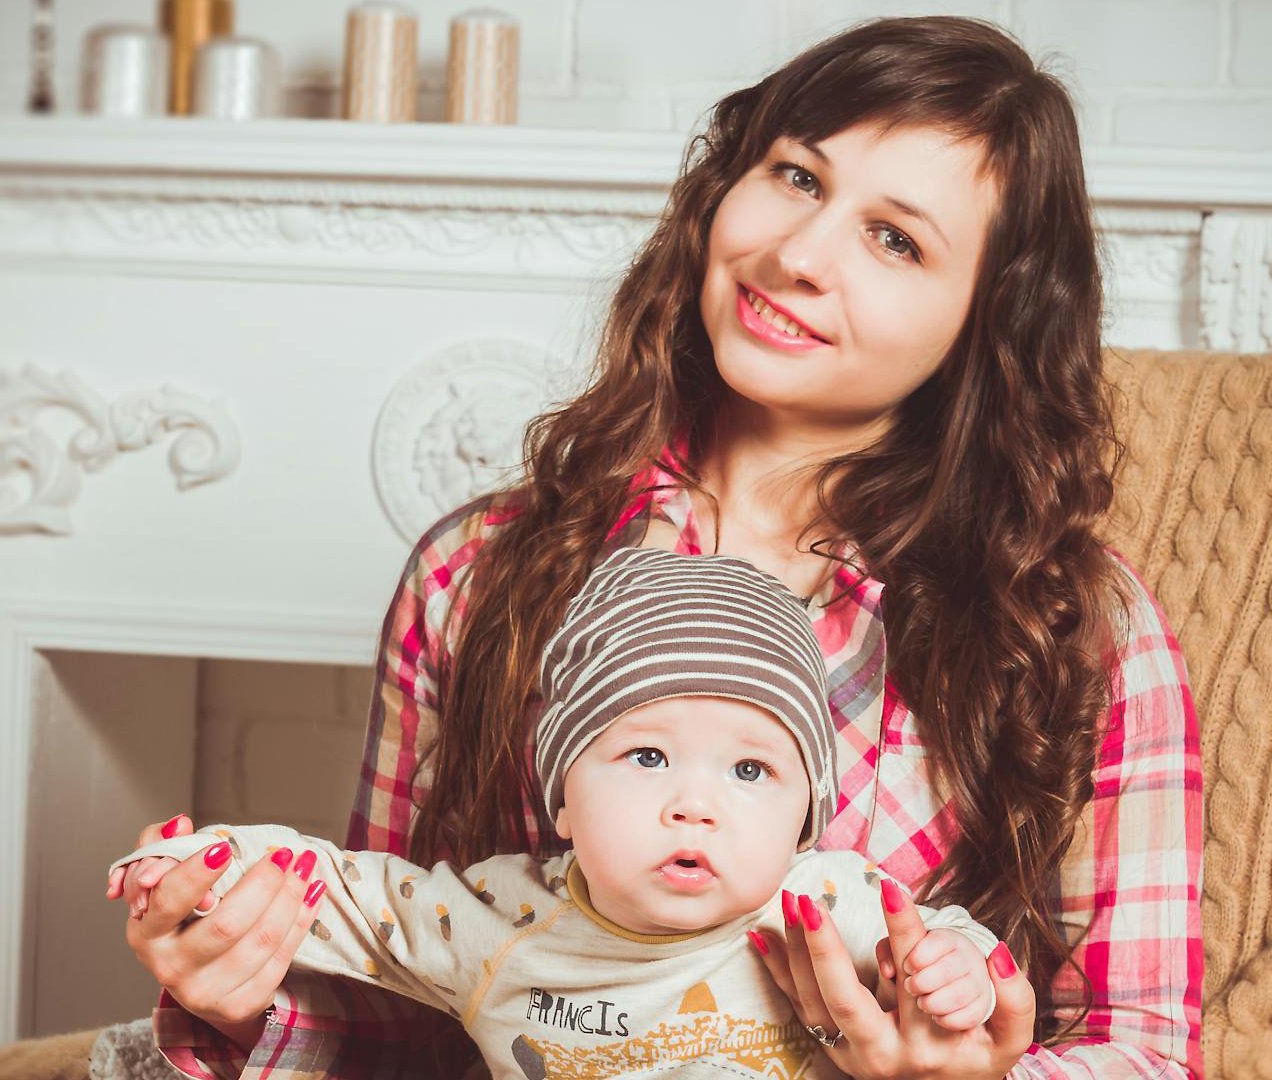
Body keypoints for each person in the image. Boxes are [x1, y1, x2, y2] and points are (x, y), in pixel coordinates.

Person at [108, 14, 1203, 1080]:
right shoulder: (473, 576)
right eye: (796, 177)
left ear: (985, 323)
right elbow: (408, 1024)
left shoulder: (1073, 628)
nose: (796, 255)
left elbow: (1150, 1050)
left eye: (893, 239)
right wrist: (239, 990)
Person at [110, 548, 1008, 1078]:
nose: (696, 805)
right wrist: (215, 864)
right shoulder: (494, 918)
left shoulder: (823, 905)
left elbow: (935, 941)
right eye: (646, 757)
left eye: (751, 770)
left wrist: (955, 970)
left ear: (805, 816)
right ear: (564, 801)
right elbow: (344, 892)